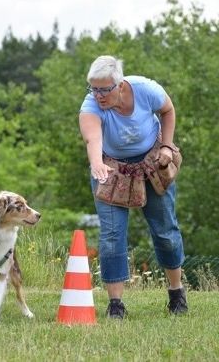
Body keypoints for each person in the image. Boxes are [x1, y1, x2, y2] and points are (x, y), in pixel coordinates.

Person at [79, 55, 188, 319]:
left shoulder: (145, 89)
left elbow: (168, 110)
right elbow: (92, 138)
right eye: (94, 89)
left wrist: (166, 145)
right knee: (112, 235)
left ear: (120, 85)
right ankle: (116, 305)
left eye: (105, 89)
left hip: (151, 163)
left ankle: (176, 292)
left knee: (165, 230)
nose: (99, 95)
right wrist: (97, 164)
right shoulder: (91, 106)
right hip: (111, 168)